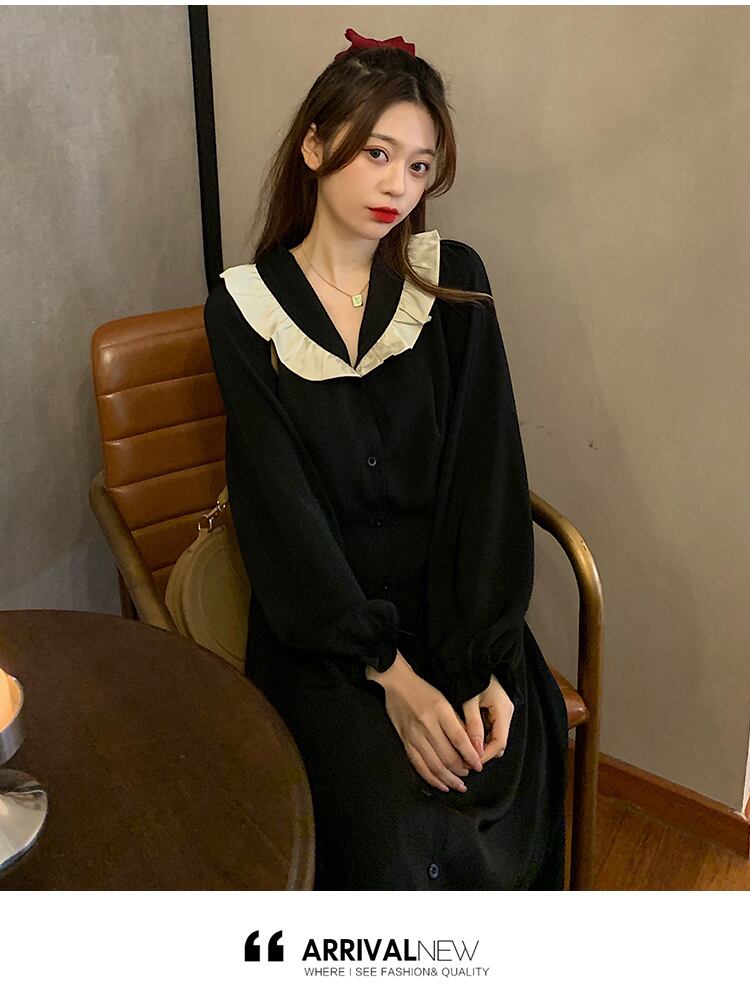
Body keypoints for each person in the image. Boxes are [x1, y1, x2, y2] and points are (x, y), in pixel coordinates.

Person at [204, 27, 569, 890]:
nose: (398, 185)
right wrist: (391, 676)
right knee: (393, 822)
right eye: (377, 152)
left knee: (501, 767)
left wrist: (483, 659)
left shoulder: (452, 283)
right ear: (315, 146)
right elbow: (282, 515)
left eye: (419, 165)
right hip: (326, 634)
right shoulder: (243, 309)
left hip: (457, 612)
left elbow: (487, 477)